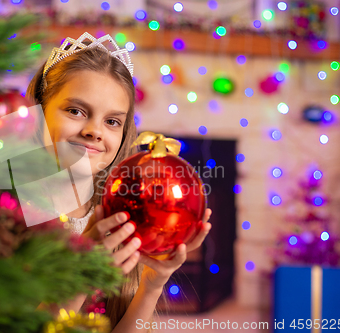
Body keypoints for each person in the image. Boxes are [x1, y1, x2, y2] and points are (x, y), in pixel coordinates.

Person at [27, 32, 212, 332]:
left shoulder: (123, 214)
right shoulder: (9, 213)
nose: (94, 131)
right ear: (38, 114)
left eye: (112, 121)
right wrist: (81, 277)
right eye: (75, 111)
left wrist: (152, 285)